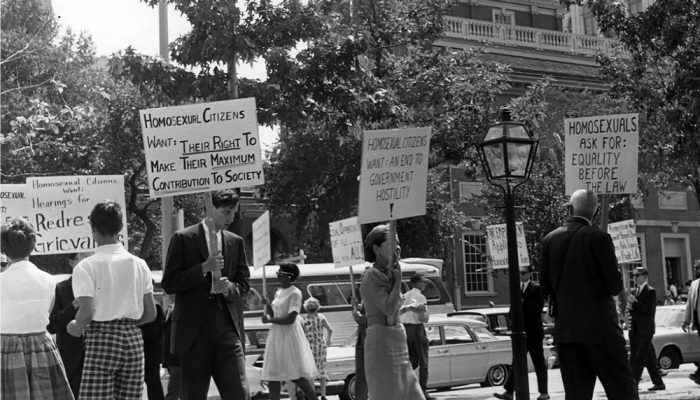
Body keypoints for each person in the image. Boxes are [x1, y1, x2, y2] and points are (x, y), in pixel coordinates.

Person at [540, 189, 638, 400]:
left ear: (569, 208)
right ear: (595, 212)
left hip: (567, 333)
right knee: (623, 390)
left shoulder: (549, 240)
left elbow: (545, 288)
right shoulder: (600, 238)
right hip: (601, 332)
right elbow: (614, 286)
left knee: (576, 395)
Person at [162, 189, 251, 400]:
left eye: (234, 212)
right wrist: (202, 268)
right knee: (193, 394)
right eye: (226, 212)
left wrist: (229, 287)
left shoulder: (235, 241)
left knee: (238, 392)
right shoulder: (183, 238)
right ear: (211, 210)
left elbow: (244, 285)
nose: (231, 218)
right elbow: (169, 284)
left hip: (226, 327)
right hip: (193, 332)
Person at [68, 200, 157, 399]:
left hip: (101, 337)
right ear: (120, 227)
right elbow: (151, 313)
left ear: (93, 228)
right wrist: (126, 324)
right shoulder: (140, 264)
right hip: (133, 338)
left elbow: (86, 313)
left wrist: (75, 326)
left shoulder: (86, 267)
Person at [0, 218, 74, 400]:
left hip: (6, 347)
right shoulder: (48, 279)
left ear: (3, 249)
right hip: (41, 346)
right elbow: (47, 314)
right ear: (33, 244)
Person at [360, 224, 425, 400]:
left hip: (398, 342)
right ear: (376, 248)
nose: (397, 247)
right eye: (391, 243)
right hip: (382, 344)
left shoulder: (389, 273)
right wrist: (398, 281)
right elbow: (388, 307)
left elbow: (395, 310)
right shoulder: (372, 275)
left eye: (398, 242)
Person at [261, 262, 318, 400]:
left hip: (289, 335)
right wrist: (267, 305)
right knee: (273, 375)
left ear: (288, 276)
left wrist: (270, 321)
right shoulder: (278, 292)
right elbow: (274, 313)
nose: (277, 275)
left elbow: (291, 318)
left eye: (279, 273)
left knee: (295, 374)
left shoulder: (295, 293)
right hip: (276, 335)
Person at [494, 265, 549, 400]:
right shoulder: (516, 289)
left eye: (523, 273)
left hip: (534, 333)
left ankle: (544, 392)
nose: (521, 275)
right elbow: (513, 311)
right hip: (520, 333)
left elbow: (538, 307)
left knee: (539, 363)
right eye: (519, 273)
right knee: (516, 363)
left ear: (530, 274)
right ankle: (509, 392)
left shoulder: (536, 288)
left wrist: (524, 303)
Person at [47, 253, 88, 398]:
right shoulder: (60, 288)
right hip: (70, 357)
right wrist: (73, 305)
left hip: (97, 354)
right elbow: (52, 326)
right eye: (81, 257)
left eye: (88, 257)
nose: (86, 261)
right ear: (71, 262)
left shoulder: (100, 285)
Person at [627, 267, 665, 391]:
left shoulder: (651, 291)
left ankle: (633, 383)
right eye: (634, 276)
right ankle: (659, 383)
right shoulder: (634, 291)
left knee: (639, 357)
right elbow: (634, 311)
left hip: (646, 330)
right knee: (649, 360)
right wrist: (630, 307)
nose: (635, 278)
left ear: (644, 276)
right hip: (636, 330)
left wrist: (635, 303)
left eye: (637, 275)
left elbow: (648, 310)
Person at [400, 273, 432, 400]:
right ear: (417, 283)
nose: (424, 284)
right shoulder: (421, 297)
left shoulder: (404, 296)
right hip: (417, 329)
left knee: (410, 361)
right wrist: (426, 317)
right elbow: (422, 317)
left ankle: (406, 388)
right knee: (424, 361)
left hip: (405, 329)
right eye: (423, 282)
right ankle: (423, 391)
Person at [302, 296, 334, 400]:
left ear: (307, 307)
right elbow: (330, 329)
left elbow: (302, 332)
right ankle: (323, 395)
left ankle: (313, 395)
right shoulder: (321, 317)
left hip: (310, 347)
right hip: (320, 345)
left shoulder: (305, 320)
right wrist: (329, 340)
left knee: (310, 371)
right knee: (322, 370)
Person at [140, 287, 165, 400]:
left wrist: (137, 328)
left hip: (150, 354)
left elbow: (153, 334)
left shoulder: (156, 307)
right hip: (143, 352)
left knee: (153, 382)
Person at [162, 293, 184, 400]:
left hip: (178, 360)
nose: (167, 295)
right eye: (166, 293)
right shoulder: (169, 310)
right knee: (181, 392)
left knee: (173, 392)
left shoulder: (182, 310)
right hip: (170, 359)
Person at [682, 260, 700, 385]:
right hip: (698, 323)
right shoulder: (694, 284)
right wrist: (685, 321)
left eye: (697, 268)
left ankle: (699, 375)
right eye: (694, 268)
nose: (695, 270)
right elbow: (689, 304)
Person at [351, 298, 368, 400]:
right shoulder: (320, 317)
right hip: (363, 340)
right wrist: (356, 306)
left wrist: (354, 308)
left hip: (369, 340)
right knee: (361, 375)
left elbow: (360, 319)